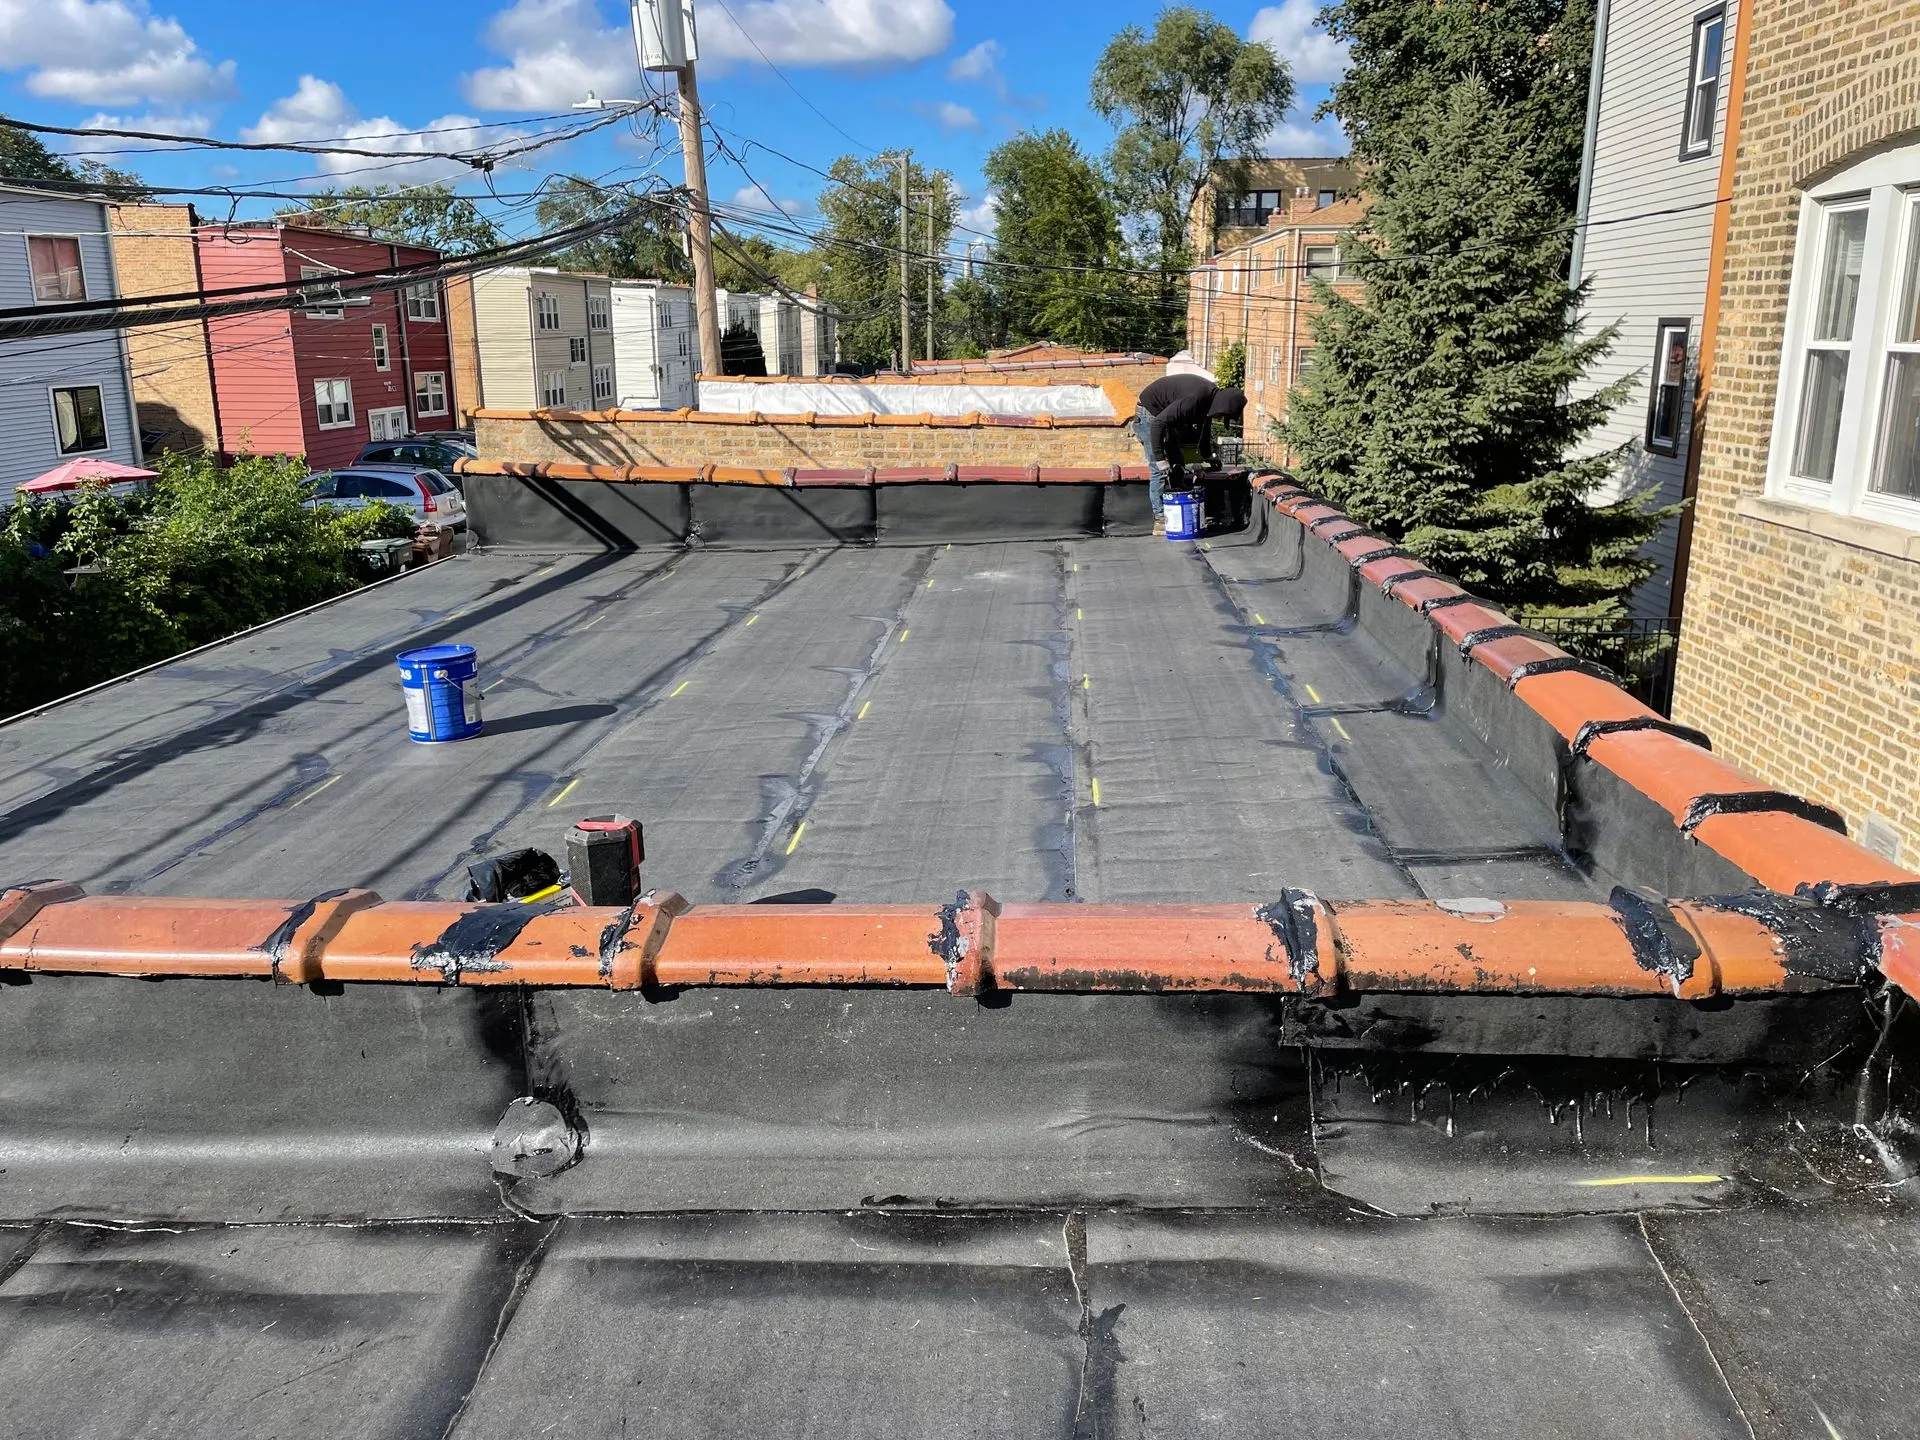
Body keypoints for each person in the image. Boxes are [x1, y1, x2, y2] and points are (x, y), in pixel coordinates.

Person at [1134, 374, 1247, 532]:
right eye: (1222, 415)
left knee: (1178, 462)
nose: (1220, 418)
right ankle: (1160, 519)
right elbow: (1158, 424)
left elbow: (1204, 429)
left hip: (1163, 416)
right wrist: (1160, 459)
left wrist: (1207, 455)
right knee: (1158, 470)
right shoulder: (1194, 400)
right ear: (1221, 407)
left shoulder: (1208, 401)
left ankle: (1179, 505)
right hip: (1150, 415)